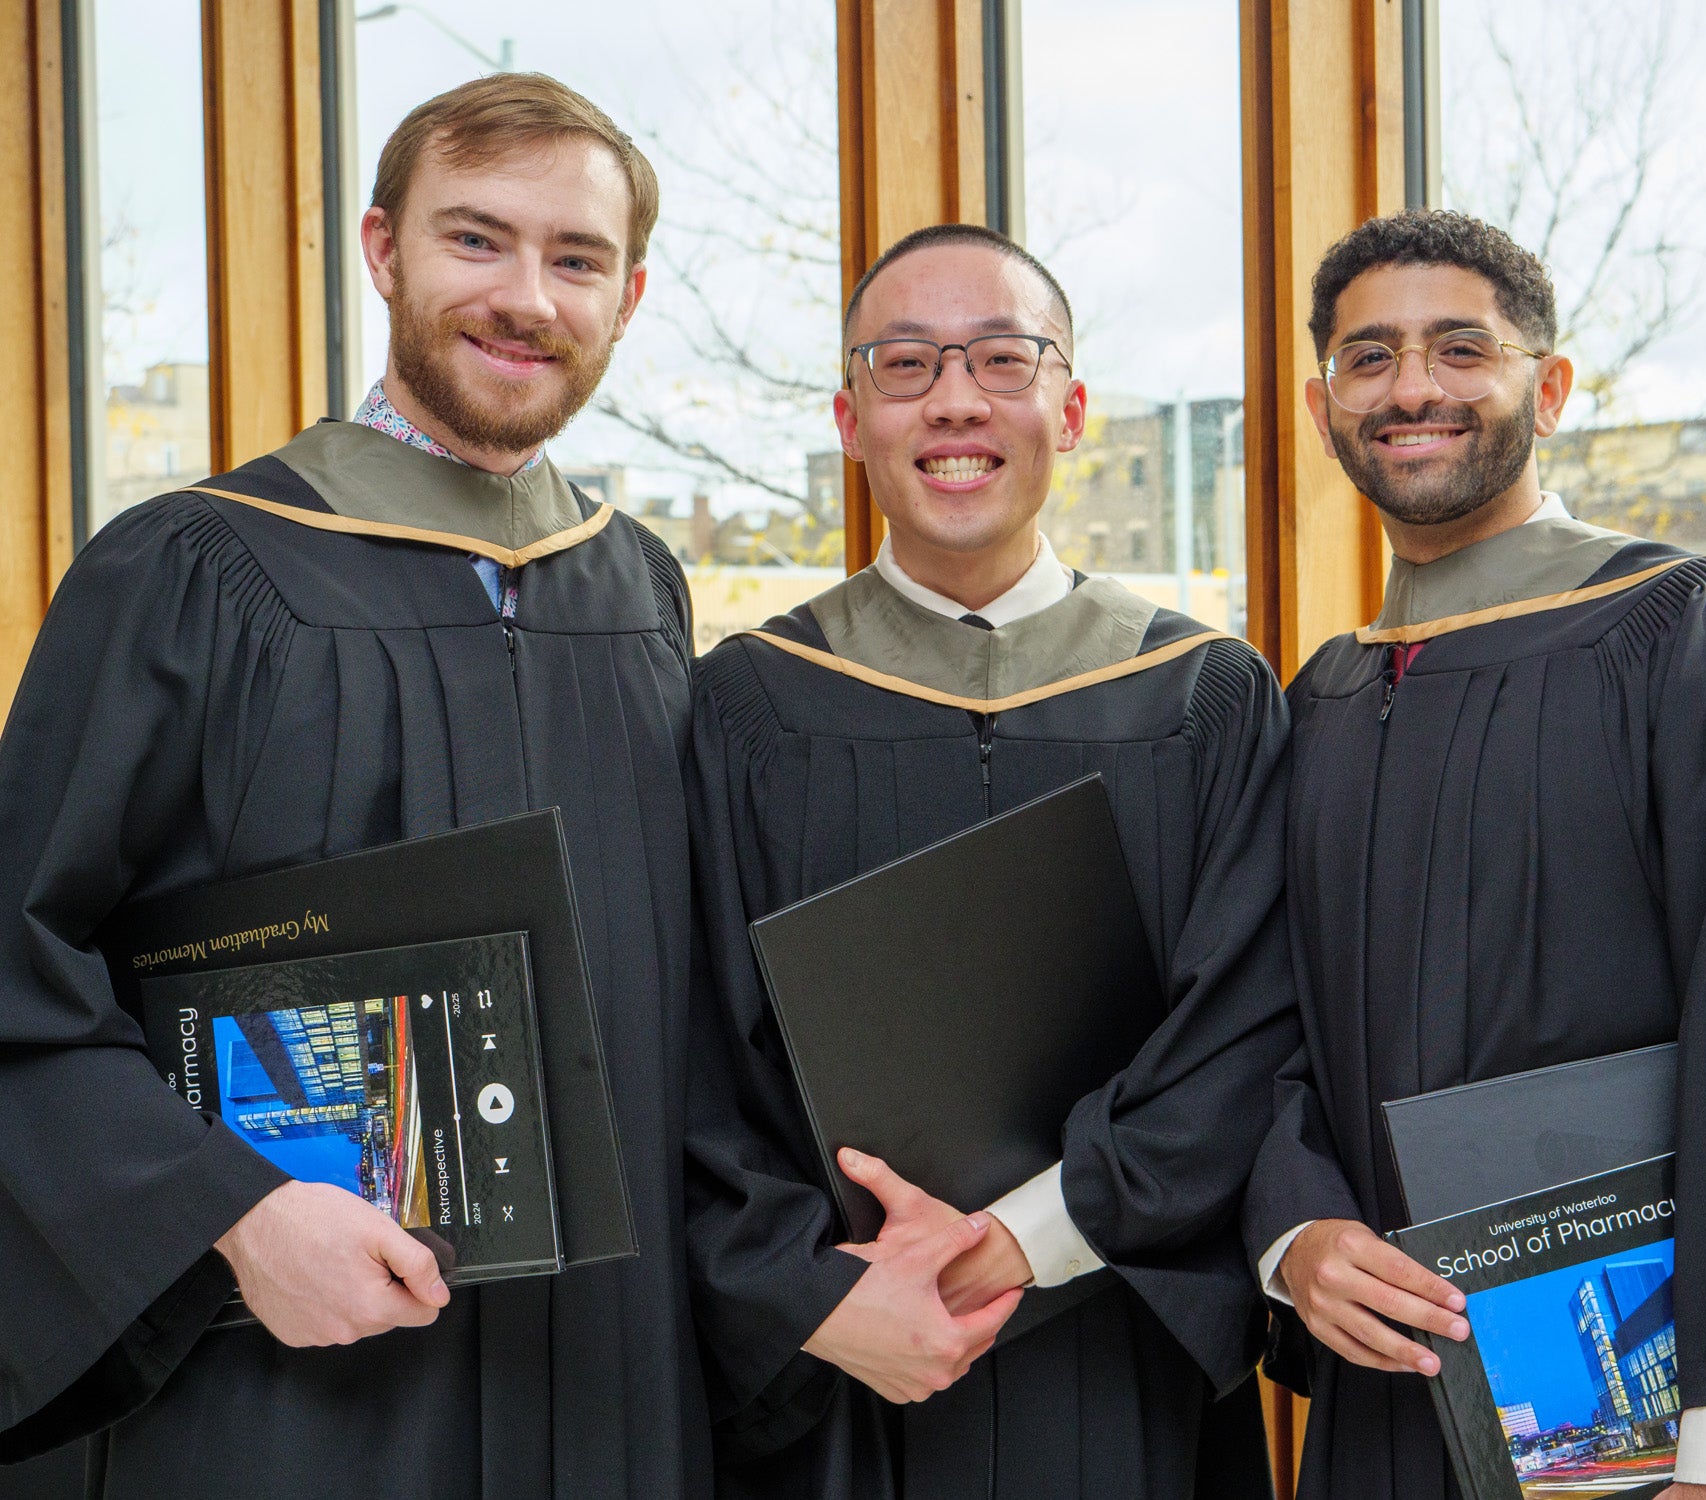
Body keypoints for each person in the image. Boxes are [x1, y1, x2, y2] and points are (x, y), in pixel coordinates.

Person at [0, 75, 709, 1500]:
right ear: (382, 251)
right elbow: (19, 958)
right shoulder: (198, 569)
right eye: (475, 240)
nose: (527, 296)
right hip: (285, 1376)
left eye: (574, 259)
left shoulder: (637, 592)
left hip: (607, 1378)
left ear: (626, 298)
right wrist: (231, 1216)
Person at [1241, 208, 1706, 1500]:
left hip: (1697, 1428)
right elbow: (1264, 1035)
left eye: (1458, 348)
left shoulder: (1701, 635)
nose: (1412, 387)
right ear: (1322, 409)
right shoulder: (1317, 704)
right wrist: (1294, 1230)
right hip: (1418, 1400)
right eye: (1369, 359)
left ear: (1549, 386)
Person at [684, 223, 1294, 1499]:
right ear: (848, 420)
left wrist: (1028, 1238)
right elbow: (689, 1049)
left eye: (1000, 360)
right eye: (903, 364)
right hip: (839, 1362)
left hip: (1120, 1347)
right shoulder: (748, 705)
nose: (953, 399)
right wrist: (814, 1290)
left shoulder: (1200, 699)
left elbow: (1244, 1033)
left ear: (1070, 410)